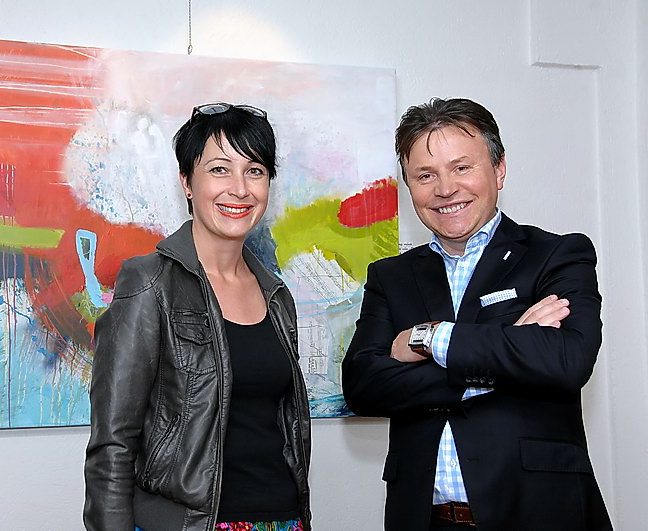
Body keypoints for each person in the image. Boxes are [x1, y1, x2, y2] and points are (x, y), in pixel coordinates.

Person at [342, 98, 612, 530]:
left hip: (538, 513)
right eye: (425, 175)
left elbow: (566, 360)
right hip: (423, 519)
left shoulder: (556, 255)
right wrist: (508, 348)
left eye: (461, 167)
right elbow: (363, 387)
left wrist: (429, 339)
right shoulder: (391, 276)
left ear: (499, 169)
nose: (445, 189)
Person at [84, 103, 311, 531]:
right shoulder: (149, 283)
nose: (239, 189)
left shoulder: (277, 295)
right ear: (187, 182)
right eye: (220, 170)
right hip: (190, 523)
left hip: (282, 520)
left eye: (255, 171)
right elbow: (112, 445)